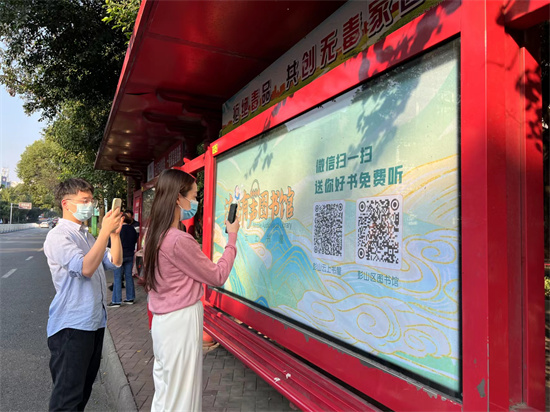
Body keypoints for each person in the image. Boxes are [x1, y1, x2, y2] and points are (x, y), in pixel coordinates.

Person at [142, 169, 239, 412]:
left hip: (163, 322)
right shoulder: (178, 240)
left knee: (167, 392)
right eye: (194, 196)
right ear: (178, 198)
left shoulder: (153, 235)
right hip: (181, 321)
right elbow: (217, 275)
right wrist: (232, 239)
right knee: (182, 396)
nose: (196, 202)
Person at [43, 178, 123, 411]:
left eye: (91, 200)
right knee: (67, 400)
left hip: (93, 323)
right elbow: (85, 268)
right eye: (84, 200)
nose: (90, 205)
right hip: (71, 327)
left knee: (82, 394)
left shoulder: (87, 236)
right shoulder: (59, 236)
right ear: (66, 203)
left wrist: (114, 235)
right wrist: (104, 233)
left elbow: (115, 261)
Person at [108, 214, 139, 307]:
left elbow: (110, 243)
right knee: (129, 276)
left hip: (119, 256)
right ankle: (130, 298)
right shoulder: (132, 229)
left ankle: (116, 300)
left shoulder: (118, 229)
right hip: (130, 254)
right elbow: (135, 240)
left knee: (117, 277)